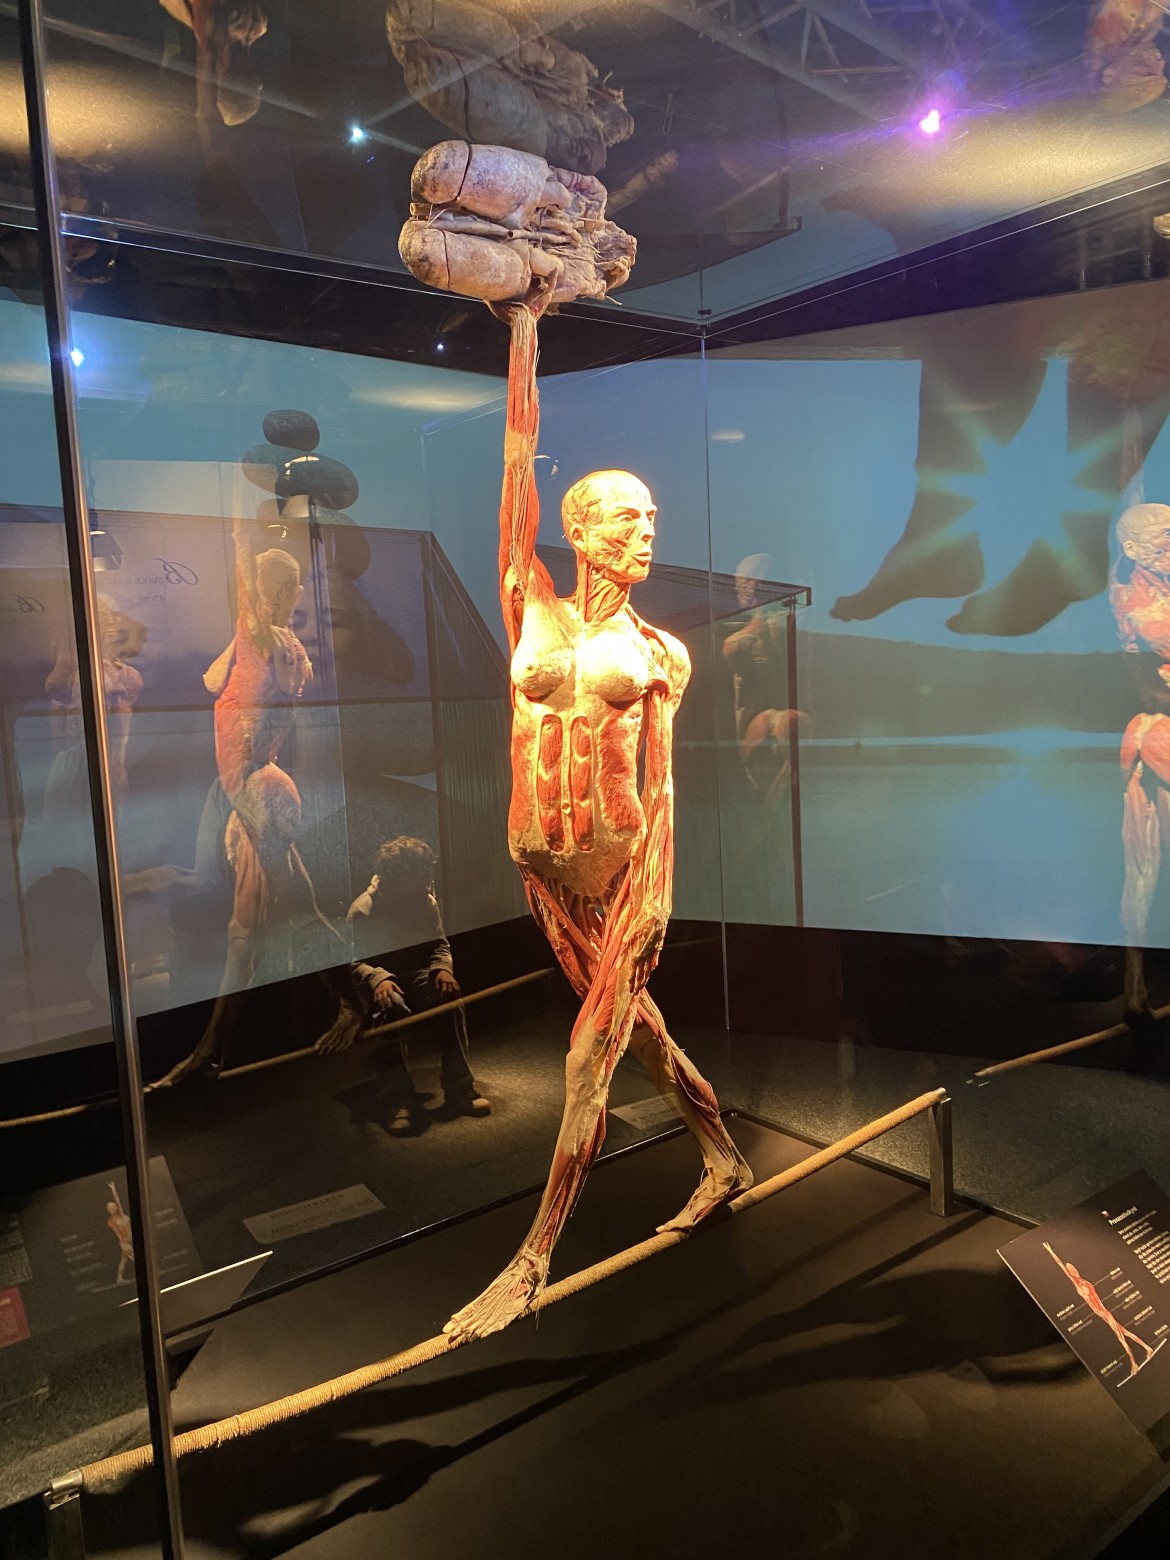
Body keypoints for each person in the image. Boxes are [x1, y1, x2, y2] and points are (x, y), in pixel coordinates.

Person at [347, 836, 489, 1136]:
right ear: (394, 877)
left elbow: (439, 945)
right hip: (382, 984)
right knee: (391, 1009)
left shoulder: (424, 901)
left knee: (450, 1000)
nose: (422, 884)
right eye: (415, 878)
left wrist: (442, 969)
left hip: (418, 976)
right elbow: (353, 962)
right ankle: (398, 1100)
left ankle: (460, 1091)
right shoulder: (364, 909)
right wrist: (379, 979)